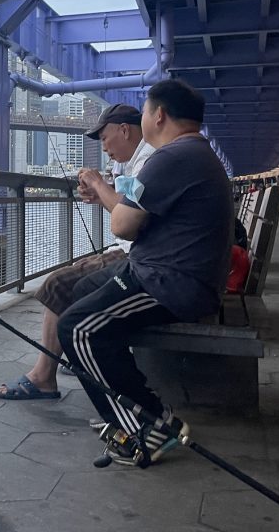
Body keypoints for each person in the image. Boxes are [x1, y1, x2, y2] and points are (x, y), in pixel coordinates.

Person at [56, 79, 233, 467]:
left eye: (146, 110)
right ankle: (125, 412)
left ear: (159, 115)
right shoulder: (192, 154)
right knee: (83, 290)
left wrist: (100, 186)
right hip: (172, 274)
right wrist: (109, 195)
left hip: (170, 283)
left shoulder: (172, 157)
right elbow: (133, 214)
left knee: (78, 328)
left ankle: (150, 424)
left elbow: (122, 225)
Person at [0, 104, 154, 400]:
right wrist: (101, 195)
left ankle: (44, 377)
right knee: (75, 280)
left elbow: (128, 223)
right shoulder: (141, 160)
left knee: (58, 283)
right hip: (142, 254)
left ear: (124, 130)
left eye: (104, 138)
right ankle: (72, 355)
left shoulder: (148, 160)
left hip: (139, 257)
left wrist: (97, 183)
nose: (103, 147)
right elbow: (130, 208)